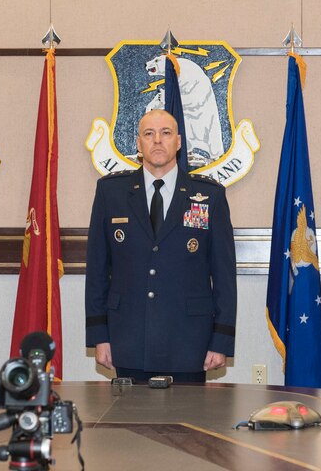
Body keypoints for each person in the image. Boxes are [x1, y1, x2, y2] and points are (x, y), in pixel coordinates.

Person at [85, 109, 237, 383]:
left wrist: (221, 340)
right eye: (149, 134)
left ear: (178, 142)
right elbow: (97, 271)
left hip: (190, 342)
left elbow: (224, 276)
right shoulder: (111, 193)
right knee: (131, 425)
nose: (157, 140)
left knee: (188, 425)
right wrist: (100, 337)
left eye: (166, 133)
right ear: (139, 144)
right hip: (128, 339)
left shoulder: (209, 196)